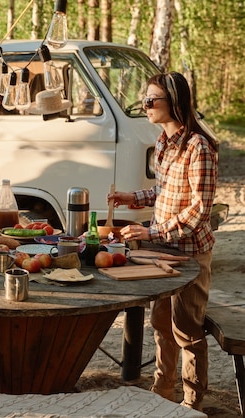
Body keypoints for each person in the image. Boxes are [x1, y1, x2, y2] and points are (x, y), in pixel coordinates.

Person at [108, 72, 218, 411]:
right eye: (145, 99)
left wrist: (150, 233)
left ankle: (191, 403)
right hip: (163, 250)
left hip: (190, 253)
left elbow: (200, 211)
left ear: (175, 103)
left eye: (152, 100)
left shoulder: (199, 147)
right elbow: (164, 192)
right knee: (160, 325)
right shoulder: (163, 142)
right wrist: (132, 197)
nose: (145, 105)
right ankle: (162, 393)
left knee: (187, 331)